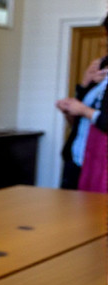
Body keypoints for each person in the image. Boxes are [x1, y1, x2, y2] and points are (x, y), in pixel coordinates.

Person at [56, 50, 108, 190]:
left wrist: (83, 110)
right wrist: (69, 109)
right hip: (75, 158)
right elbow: (76, 124)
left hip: (99, 165)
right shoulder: (97, 83)